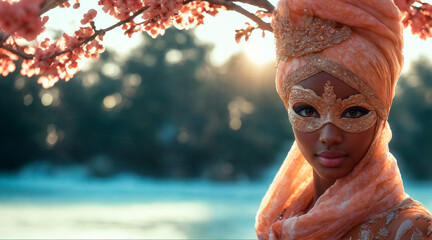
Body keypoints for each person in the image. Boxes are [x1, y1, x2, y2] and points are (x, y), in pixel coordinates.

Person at [255, 0, 432, 239]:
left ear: (381, 114)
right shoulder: (282, 217)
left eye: (354, 111)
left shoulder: (411, 229)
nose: (329, 136)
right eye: (307, 110)